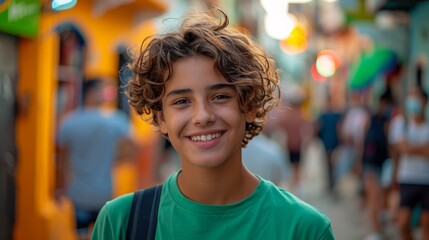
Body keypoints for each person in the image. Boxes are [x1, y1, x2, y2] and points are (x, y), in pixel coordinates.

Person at [92, 9, 334, 240]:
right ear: (161, 118)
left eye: (220, 97)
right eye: (182, 101)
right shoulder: (121, 222)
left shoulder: (303, 228)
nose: (202, 116)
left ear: (248, 106)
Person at [56, 78, 135, 239]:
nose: (109, 94)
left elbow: (62, 162)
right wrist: (112, 160)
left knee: (81, 234)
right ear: (91, 93)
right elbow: (133, 150)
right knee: (104, 234)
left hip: (78, 194)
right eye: (105, 89)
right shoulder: (116, 120)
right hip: (104, 192)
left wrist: (60, 189)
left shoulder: (69, 122)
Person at [389, 86, 429, 240]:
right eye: (410, 95)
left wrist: (410, 148)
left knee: (427, 224)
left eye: (416, 96)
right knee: (402, 223)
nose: (412, 100)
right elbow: (402, 148)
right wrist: (423, 149)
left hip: (426, 180)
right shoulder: (400, 123)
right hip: (407, 178)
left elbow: (406, 148)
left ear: (425, 101)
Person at [361, 92, 393, 240]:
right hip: (371, 163)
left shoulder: (388, 121)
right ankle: (375, 230)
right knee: (374, 197)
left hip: (382, 163)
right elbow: (363, 142)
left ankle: (378, 228)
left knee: (380, 198)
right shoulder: (372, 119)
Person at [316, 95, 342, 193]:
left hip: (332, 142)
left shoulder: (333, 115)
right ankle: (331, 182)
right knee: (329, 164)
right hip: (328, 142)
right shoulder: (325, 115)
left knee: (332, 164)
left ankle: (332, 182)